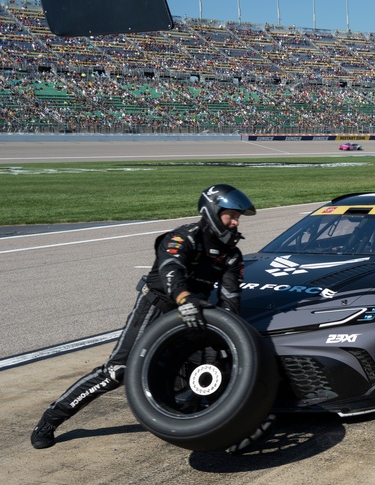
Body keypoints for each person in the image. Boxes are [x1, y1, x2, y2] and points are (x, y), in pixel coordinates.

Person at [31, 184, 256, 449]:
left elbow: (231, 298)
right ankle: (51, 418)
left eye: (238, 217)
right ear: (212, 211)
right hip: (157, 306)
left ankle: (216, 429)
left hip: (195, 313)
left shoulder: (231, 255)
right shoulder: (182, 238)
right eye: (231, 215)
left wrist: (229, 333)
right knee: (118, 371)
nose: (235, 222)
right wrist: (183, 298)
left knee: (215, 362)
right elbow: (171, 270)